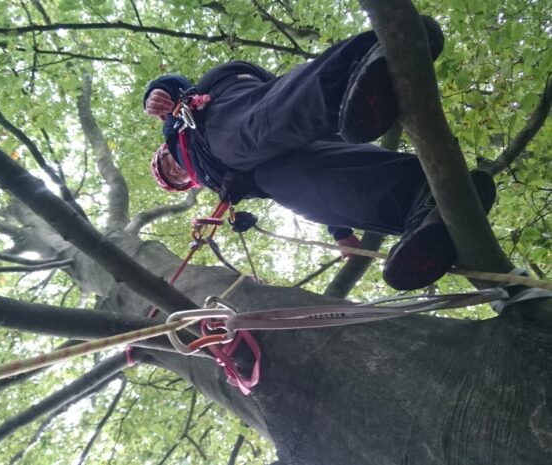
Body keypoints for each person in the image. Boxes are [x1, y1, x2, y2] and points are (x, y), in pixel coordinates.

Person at [142, 17, 495, 291]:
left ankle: (369, 61)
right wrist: (340, 233)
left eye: (165, 164)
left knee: (253, 131)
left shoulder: (177, 127)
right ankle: (419, 200)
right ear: (188, 185)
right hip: (258, 167)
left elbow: (176, 82)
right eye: (174, 179)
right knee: (300, 185)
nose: (172, 169)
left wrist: (156, 91)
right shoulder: (216, 184)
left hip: (220, 115)